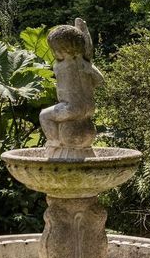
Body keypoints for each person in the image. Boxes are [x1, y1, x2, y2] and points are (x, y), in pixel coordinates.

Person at [40, 19, 103, 157]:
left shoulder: (60, 66)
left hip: (71, 108)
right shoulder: (85, 64)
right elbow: (100, 80)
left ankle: (54, 142)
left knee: (44, 116)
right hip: (89, 108)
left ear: (60, 50)